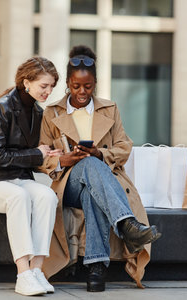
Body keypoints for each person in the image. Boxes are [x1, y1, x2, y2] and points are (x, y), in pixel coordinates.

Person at [38, 45, 162, 292]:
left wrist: (99, 153)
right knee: (87, 165)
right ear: (68, 84)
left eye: (88, 86)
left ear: (95, 83)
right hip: (68, 183)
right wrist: (65, 159)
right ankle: (127, 224)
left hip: (101, 182)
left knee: (91, 186)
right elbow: (41, 157)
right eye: (76, 86)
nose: (82, 92)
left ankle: (96, 268)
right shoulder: (52, 113)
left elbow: (124, 147)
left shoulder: (110, 109)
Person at [0, 57, 61, 296]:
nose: (48, 91)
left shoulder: (37, 113)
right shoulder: (1, 108)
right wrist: (36, 154)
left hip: (18, 179)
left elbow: (32, 153)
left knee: (47, 197)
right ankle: (23, 273)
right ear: (26, 82)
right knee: (19, 196)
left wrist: (48, 153)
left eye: (52, 86)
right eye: (44, 86)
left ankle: (37, 270)